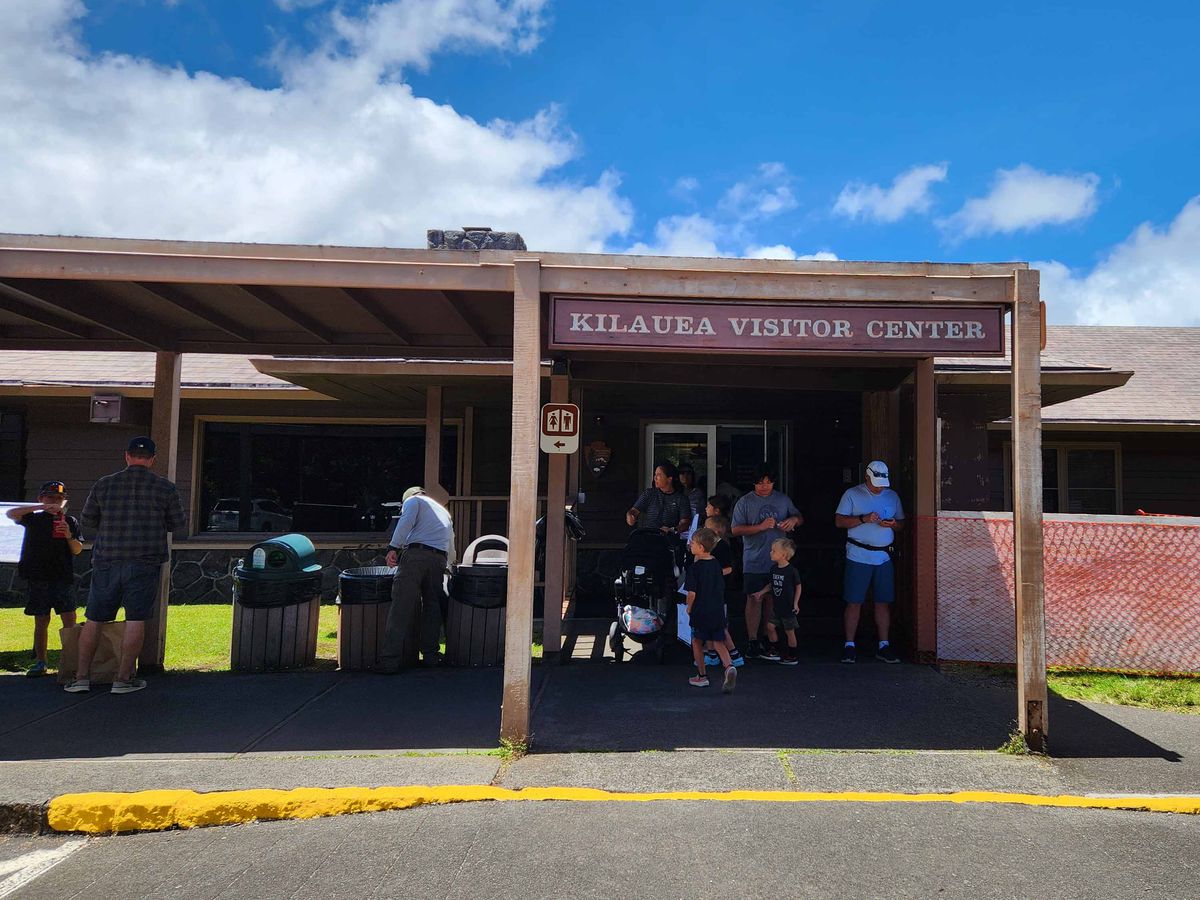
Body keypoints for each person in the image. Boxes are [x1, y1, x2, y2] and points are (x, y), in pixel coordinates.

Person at [64, 437, 186, 694]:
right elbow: (177, 523)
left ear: (127, 456)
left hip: (107, 558)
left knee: (94, 618)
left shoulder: (104, 484)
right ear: (152, 459)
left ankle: (81, 677)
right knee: (136, 618)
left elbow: (88, 519)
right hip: (145, 560)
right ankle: (123, 678)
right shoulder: (165, 488)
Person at [7, 481, 83, 677]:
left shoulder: (70, 520)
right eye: (50, 497)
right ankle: (41, 662)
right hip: (38, 576)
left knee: (70, 620)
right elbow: (11, 513)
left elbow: (77, 550)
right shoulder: (33, 518)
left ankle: (71, 663)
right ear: (41, 498)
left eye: (59, 498)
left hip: (62, 576)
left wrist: (68, 535)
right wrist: (41, 507)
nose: (55, 502)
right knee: (41, 620)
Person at [835, 460, 905, 664]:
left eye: (882, 484)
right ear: (866, 477)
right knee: (854, 601)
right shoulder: (852, 494)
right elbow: (839, 521)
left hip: (883, 556)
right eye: (875, 483)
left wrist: (893, 524)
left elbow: (902, 524)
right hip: (858, 554)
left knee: (883, 601)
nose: (879, 488)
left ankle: (884, 645)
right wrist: (863, 519)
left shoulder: (892, 496)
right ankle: (849, 645)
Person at [730, 463, 803, 659]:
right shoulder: (745, 502)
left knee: (773, 599)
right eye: (760, 483)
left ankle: (769, 639)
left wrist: (793, 521)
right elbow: (735, 530)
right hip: (754, 559)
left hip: (779, 561)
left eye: (768, 483)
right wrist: (760, 527)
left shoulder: (782, 499)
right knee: (754, 598)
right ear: (754, 483)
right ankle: (753, 640)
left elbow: (799, 517)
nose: (764, 486)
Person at [380, 485, 454, 670]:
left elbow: (406, 522)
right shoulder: (443, 511)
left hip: (416, 555)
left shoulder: (414, 501)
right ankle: (431, 656)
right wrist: (450, 564)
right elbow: (451, 541)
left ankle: (389, 661)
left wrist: (393, 547)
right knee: (432, 607)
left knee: (401, 605)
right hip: (439, 559)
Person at [684, 527, 737, 693]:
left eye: (693, 543)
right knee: (718, 641)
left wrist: (689, 607)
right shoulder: (716, 565)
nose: (690, 545)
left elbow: (692, 593)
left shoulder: (694, 569)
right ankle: (729, 666)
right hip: (717, 609)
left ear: (701, 547)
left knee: (697, 641)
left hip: (700, 610)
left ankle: (702, 675)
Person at [700, 514, 744, 668]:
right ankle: (711, 654)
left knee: (719, 625)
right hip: (708, 592)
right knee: (708, 624)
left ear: (716, 531)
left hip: (718, 592)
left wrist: (712, 574)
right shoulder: (709, 547)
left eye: (707, 527)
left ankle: (734, 654)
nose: (703, 529)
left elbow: (728, 568)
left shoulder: (722, 547)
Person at [750, 538, 801, 665]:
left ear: (783, 555)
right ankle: (775, 650)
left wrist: (796, 603)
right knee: (770, 626)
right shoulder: (773, 569)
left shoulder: (791, 571)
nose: (770, 553)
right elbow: (771, 584)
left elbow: (798, 587)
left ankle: (792, 655)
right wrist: (761, 592)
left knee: (789, 631)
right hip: (777, 607)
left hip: (788, 607)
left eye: (774, 551)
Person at [625, 461, 692, 535]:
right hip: (647, 536)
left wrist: (673, 529)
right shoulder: (649, 493)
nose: (655, 478)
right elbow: (634, 510)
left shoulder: (681, 499)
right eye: (655, 474)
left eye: (659, 475)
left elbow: (685, 523)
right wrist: (630, 516)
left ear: (669, 479)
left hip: (668, 538)